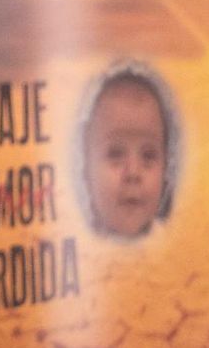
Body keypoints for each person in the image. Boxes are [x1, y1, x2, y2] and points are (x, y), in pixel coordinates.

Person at [73, 60, 182, 239]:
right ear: (85, 168)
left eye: (148, 155)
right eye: (115, 154)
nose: (133, 172)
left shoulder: (178, 246)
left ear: (167, 169)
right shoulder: (78, 243)